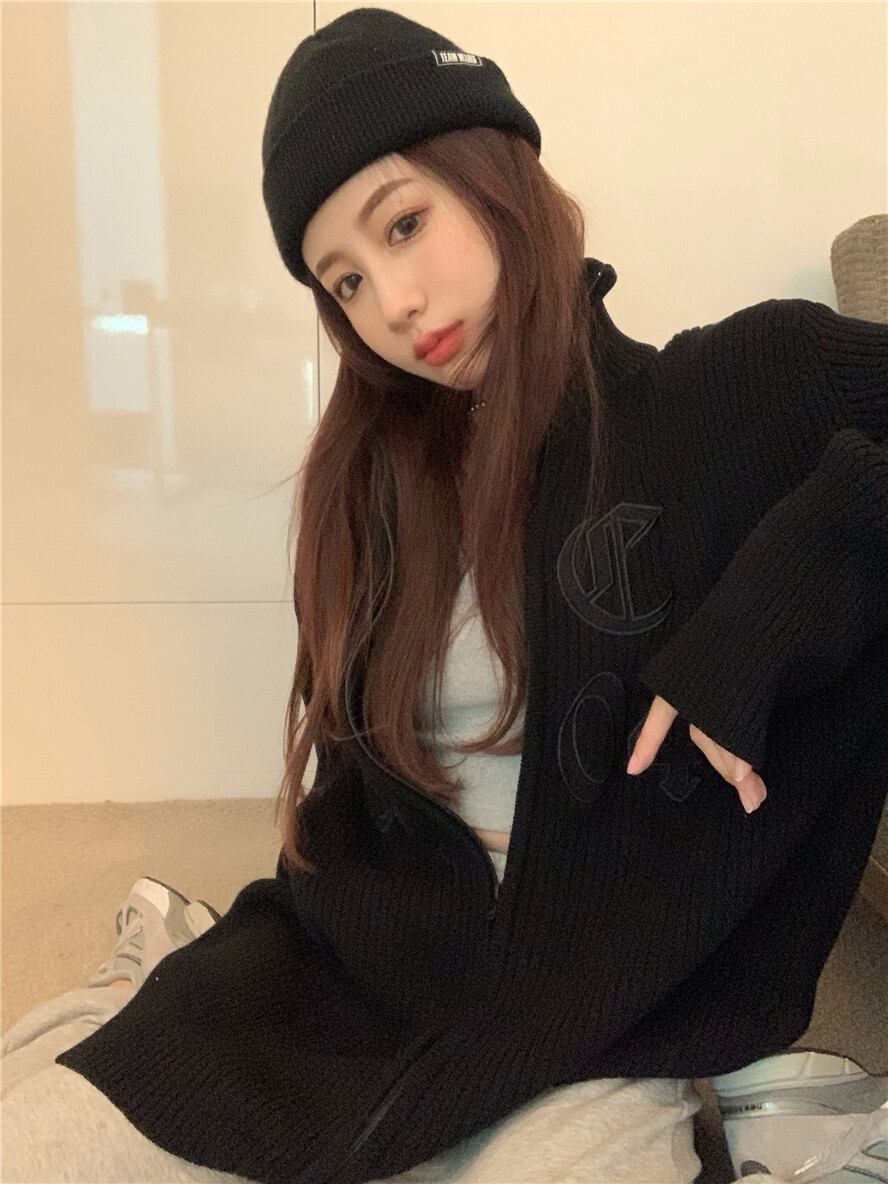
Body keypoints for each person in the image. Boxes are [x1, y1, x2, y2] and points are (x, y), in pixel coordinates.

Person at [3, 7, 887, 1183]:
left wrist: (776, 609)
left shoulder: (737, 385)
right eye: (347, 280)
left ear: (495, 171)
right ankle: (161, 975)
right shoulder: (377, 479)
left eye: (405, 223)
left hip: (590, 1021)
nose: (394, 303)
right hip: (346, 970)